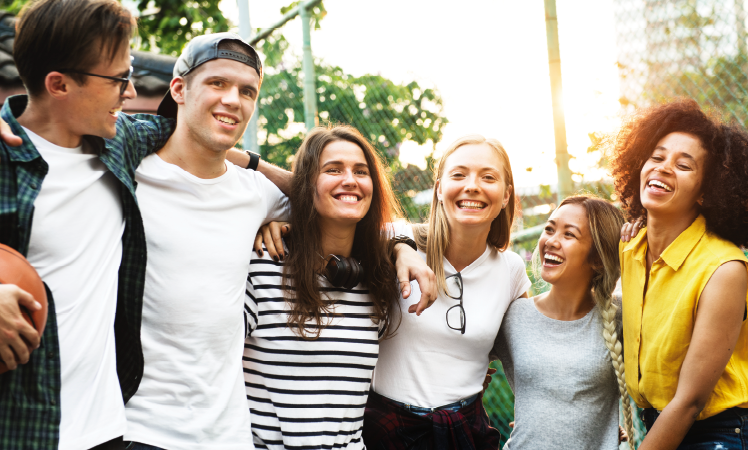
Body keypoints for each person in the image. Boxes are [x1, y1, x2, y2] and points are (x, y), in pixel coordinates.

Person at [0, 1, 175, 448]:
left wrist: (281, 184)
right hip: (21, 429)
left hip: (106, 429)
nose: (131, 92)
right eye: (117, 80)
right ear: (58, 84)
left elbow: (188, 132)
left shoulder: (119, 142)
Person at [242, 124, 413, 449]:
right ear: (306, 185)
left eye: (361, 171)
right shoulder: (264, 264)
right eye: (333, 169)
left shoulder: (378, 280)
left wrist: (404, 247)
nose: (350, 179)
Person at [362, 135, 530, 449]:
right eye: (459, 174)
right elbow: (326, 227)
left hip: (466, 430)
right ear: (439, 189)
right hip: (386, 430)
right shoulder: (395, 236)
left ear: (507, 195)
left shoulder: (512, 270)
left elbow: (529, 359)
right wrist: (276, 223)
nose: (472, 185)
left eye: (488, 177)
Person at [614, 99, 748, 449]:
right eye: (656, 157)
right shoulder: (631, 248)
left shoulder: (724, 269)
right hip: (656, 421)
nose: (663, 168)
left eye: (683, 165)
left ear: (705, 191)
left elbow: (690, 401)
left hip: (717, 431)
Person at [490, 195, 634, 449]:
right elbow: (461, 364)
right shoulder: (515, 315)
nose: (551, 241)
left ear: (598, 259)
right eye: (549, 229)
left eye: (569, 235)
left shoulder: (621, 315)